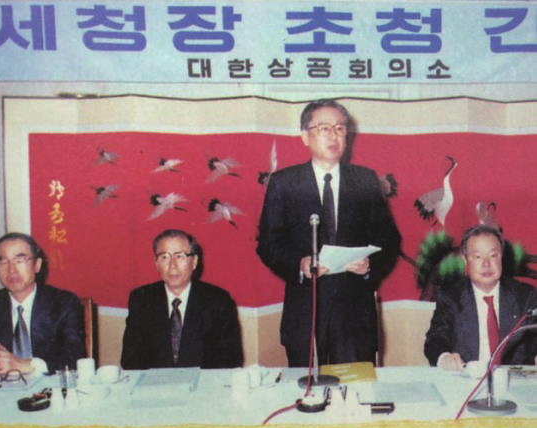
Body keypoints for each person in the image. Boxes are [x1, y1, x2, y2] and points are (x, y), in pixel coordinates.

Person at [257, 99, 401, 367]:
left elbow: (389, 240)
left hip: (355, 316)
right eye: (324, 128)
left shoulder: (366, 180)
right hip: (305, 314)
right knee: (307, 388)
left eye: (339, 128)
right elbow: (268, 243)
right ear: (305, 136)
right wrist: (299, 265)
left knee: (357, 390)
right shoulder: (284, 183)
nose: (333, 136)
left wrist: (369, 266)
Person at [0, 232, 86, 375]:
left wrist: (25, 366)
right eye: (3, 261)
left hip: (46, 384)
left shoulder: (64, 303)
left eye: (20, 260)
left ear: (37, 265)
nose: (12, 270)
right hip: (2, 384)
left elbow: (75, 356)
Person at [120, 229, 244, 369]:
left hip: (203, 382)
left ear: (194, 261)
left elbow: (230, 360)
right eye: (164, 257)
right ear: (156, 264)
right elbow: (130, 360)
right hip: (155, 382)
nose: (172, 265)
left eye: (179, 256)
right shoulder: (141, 300)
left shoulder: (219, 302)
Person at [424, 225, 537, 370]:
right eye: (478, 257)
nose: (486, 264)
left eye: (493, 256)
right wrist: (444, 357)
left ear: (501, 257)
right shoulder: (451, 296)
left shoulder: (525, 295)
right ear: (465, 260)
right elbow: (436, 339)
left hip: (513, 379)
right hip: (467, 377)